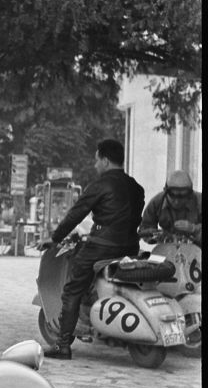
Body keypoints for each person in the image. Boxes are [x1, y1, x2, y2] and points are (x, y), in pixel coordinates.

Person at [38, 138, 145, 360]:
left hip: (102, 248)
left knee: (72, 289)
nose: (95, 165)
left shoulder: (100, 185)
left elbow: (76, 214)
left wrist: (55, 238)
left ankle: (62, 345)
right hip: (130, 248)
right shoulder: (136, 188)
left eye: (97, 160)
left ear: (105, 160)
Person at [139, 170, 202, 246]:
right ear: (165, 192)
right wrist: (155, 236)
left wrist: (193, 229)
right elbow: (144, 228)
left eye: (182, 197)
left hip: (197, 249)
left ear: (190, 195)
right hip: (167, 248)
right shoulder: (157, 202)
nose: (177, 201)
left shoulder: (200, 201)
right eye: (173, 196)